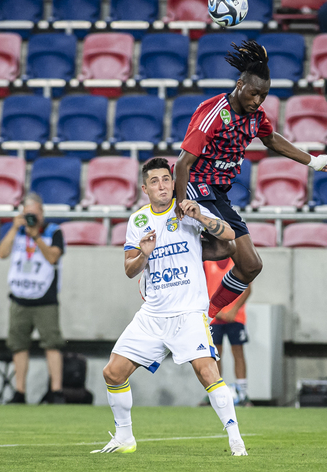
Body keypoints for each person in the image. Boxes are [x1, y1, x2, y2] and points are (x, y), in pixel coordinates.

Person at [93, 158, 246, 456]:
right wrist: (144, 255)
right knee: (113, 373)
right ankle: (125, 438)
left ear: (173, 183)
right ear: (145, 189)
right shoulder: (138, 221)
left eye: (166, 179)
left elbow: (230, 235)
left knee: (207, 372)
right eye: (155, 181)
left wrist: (201, 217)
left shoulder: (187, 209)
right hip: (153, 314)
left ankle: (236, 439)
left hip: (189, 311)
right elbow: (129, 270)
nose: (162, 186)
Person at [175, 40, 327, 319]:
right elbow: (182, 163)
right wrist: (180, 204)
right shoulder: (213, 112)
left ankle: (208, 314)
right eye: (254, 93)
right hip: (196, 186)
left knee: (251, 265)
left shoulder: (255, 117)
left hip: (218, 194)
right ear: (240, 85)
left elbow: (271, 139)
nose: (258, 100)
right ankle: (168, 256)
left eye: (264, 96)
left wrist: (313, 161)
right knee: (224, 246)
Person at [0, 192, 66, 405]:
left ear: (42, 213)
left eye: (34, 214)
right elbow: (2, 253)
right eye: (27, 214)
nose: (31, 219)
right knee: (18, 345)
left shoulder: (53, 231)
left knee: (52, 344)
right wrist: (14, 228)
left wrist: (36, 236)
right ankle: (20, 391)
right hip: (19, 297)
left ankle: (56, 391)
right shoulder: (16, 231)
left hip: (45, 297)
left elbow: (53, 257)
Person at [204, 259, 253, 407]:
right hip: (214, 317)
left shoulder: (237, 260)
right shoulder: (207, 262)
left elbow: (247, 289)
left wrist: (234, 310)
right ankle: (215, 392)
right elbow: (201, 288)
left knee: (238, 352)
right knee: (215, 355)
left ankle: (242, 393)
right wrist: (214, 310)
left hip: (235, 317)